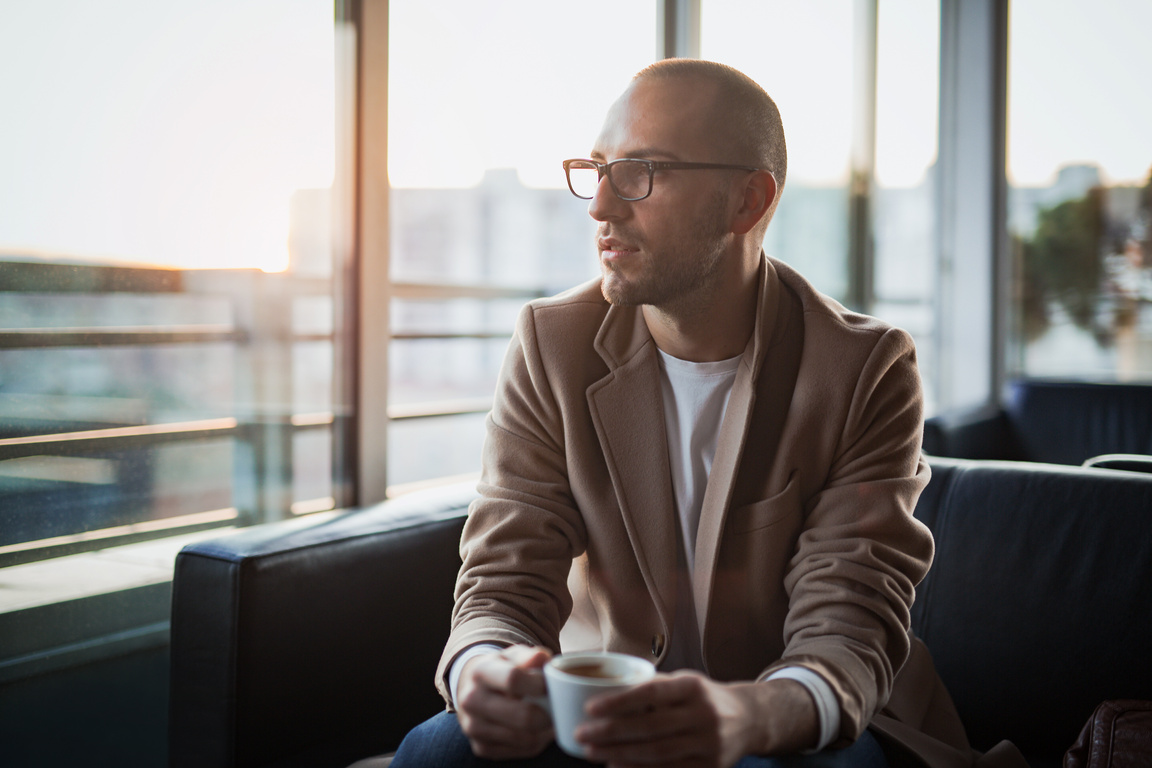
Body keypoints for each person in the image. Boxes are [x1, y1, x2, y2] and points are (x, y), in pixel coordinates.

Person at [390, 59, 1016, 768]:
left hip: (798, 716)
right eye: (596, 169)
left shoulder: (865, 370)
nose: (600, 205)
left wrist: (744, 716)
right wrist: (484, 671)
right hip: (609, 712)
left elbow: (847, 621)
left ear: (747, 202)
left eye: (640, 171)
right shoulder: (550, 344)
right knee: (438, 751)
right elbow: (504, 579)